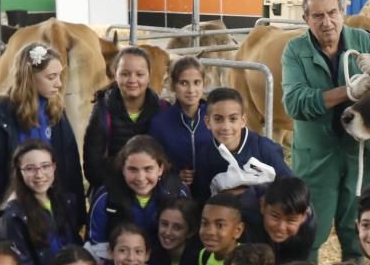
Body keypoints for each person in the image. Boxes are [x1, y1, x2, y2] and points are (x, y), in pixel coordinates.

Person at [282, 0, 370, 257]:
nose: (327, 22)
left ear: (343, 12)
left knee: (358, 234)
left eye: (332, 13)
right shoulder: (295, 51)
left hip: (359, 154)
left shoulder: (364, 41)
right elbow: (295, 102)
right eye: (318, 16)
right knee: (309, 234)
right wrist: (349, 91)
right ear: (305, 19)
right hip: (317, 156)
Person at [0, 44, 85, 206]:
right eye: (51, 77)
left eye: (59, 76)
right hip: (16, 206)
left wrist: (76, 212)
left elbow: (70, 162)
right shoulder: (0, 116)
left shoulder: (55, 110)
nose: (59, 84)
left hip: (55, 203)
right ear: (30, 76)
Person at [0, 141, 85, 265]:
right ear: (19, 172)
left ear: (54, 167)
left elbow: (74, 243)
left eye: (45, 166)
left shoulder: (65, 201)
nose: (39, 175)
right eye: (30, 169)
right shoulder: (12, 217)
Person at [84, 46, 164, 193]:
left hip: (152, 188)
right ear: (115, 74)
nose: (132, 80)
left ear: (149, 75)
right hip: (113, 188)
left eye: (140, 74)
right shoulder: (102, 110)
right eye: (125, 74)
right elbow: (92, 167)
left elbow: (167, 159)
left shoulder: (162, 110)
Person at [193, 87, 292, 204]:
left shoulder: (265, 149)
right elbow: (201, 201)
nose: (226, 127)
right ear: (208, 122)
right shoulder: (205, 156)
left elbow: (291, 190)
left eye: (233, 119)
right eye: (218, 119)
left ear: (243, 120)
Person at [87, 134, 186, 246]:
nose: (140, 178)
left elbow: (188, 237)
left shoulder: (177, 192)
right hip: (120, 261)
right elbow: (95, 243)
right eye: (133, 169)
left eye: (148, 169)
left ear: (160, 169)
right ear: (123, 169)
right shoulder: (106, 197)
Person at [149, 56, 209, 188]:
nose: (191, 90)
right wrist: (173, 175)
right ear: (172, 85)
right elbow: (153, 162)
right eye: (183, 83)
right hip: (175, 197)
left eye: (197, 82)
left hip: (212, 193)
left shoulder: (214, 117)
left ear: (204, 83)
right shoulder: (160, 123)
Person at [241, 175, 317, 265]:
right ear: (262, 206)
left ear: (304, 217)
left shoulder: (308, 227)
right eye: (275, 216)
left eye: (291, 220)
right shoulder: (245, 211)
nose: (281, 227)